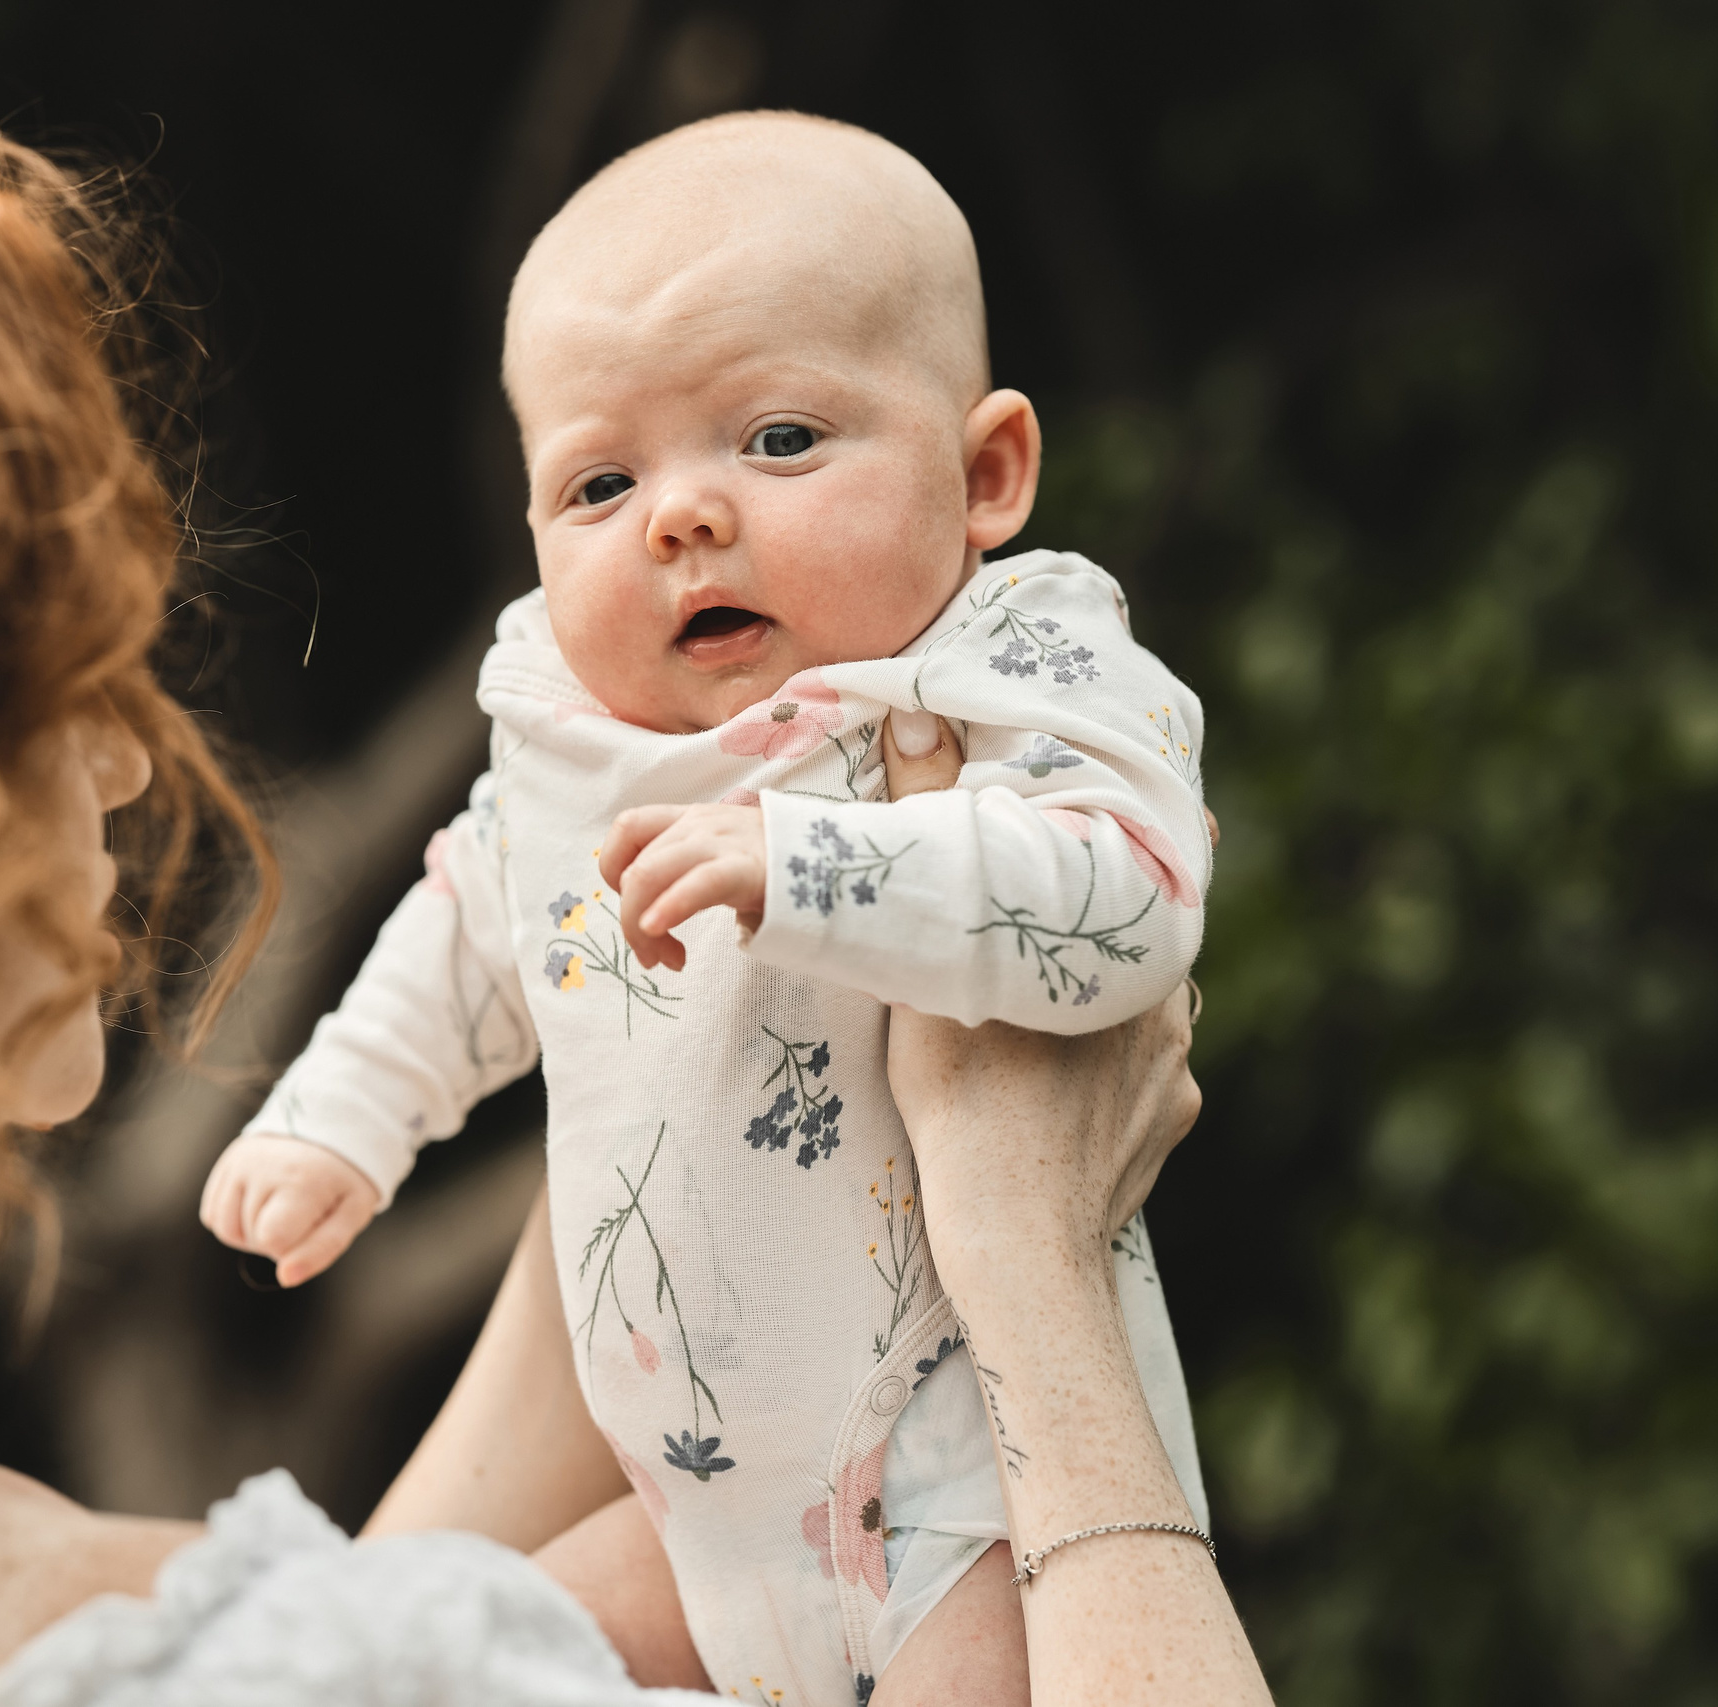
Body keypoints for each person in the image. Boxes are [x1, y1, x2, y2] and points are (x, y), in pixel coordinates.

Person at [0, 59, 1272, 1707]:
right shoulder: (344, 1658)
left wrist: (651, 1074)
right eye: (45, 664)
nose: (131, 754)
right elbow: (476, 930)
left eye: (779, 441)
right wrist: (1034, 1279)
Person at [199, 112, 1214, 1705]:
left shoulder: (998, 665)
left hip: (968, 1506)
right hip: (696, 1522)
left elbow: (1133, 898)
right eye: (601, 481)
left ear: (987, 471)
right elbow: (474, 920)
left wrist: (815, 862)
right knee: (441, 1667)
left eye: (781, 441)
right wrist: (341, 1118)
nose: (681, 515)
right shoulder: (575, 741)